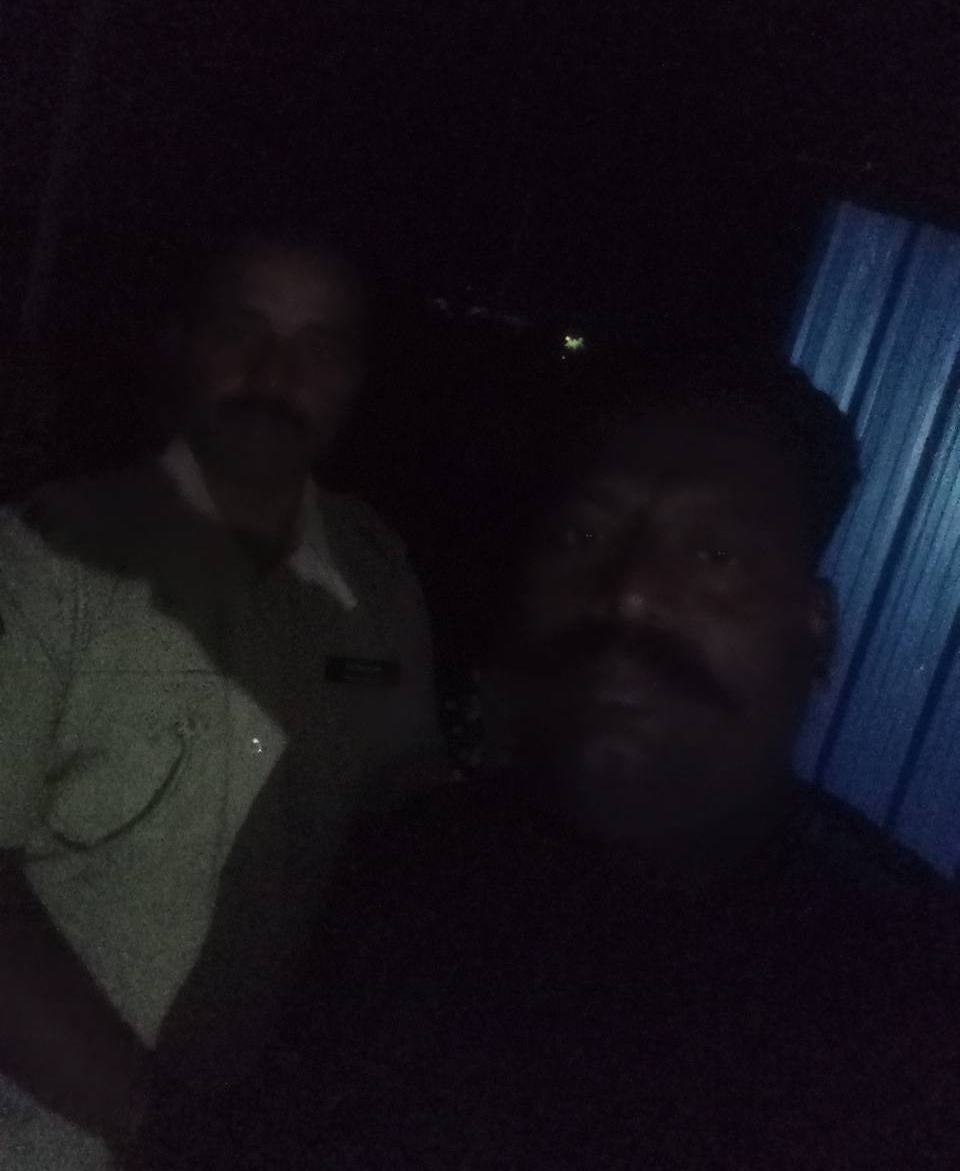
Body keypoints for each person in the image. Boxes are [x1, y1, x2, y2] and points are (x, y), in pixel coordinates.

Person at [262, 354, 960, 1170]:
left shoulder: (911, 988)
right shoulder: (412, 871)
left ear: (815, 631)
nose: (628, 593)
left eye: (716, 555)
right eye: (584, 536)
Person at [0, 229, 443, 1169]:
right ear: (182, 345)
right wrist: (163, 1129)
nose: (276, 375)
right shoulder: (44, 557)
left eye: (320, 347)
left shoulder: (380, 578)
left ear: (356, 380)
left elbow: (401, 836)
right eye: (243, 331)